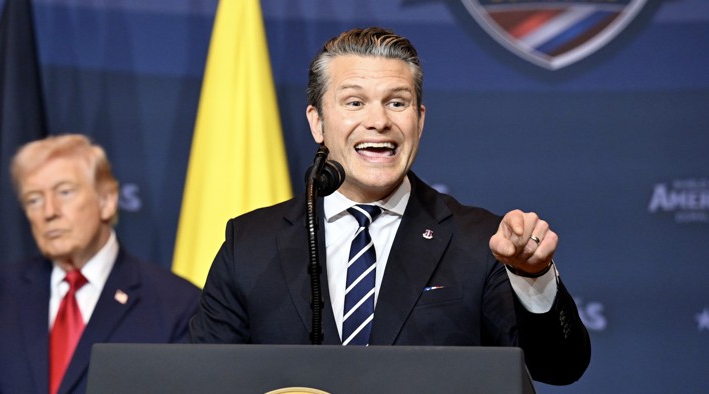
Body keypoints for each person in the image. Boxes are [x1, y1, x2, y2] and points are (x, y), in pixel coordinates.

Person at [189, 27, 590, 385]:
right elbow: (203, 379)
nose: (378, 121)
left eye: (397, 103)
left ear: (419, 119)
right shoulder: (250, 243)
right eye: (354, 102)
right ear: (317, 123)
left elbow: (558, 368)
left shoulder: (479, 241)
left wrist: (532, 276)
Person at [0, 134, 201, 394]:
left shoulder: (176, 304)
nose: (49, 212)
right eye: (34, 200)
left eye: (64, 192)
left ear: (107, 201)